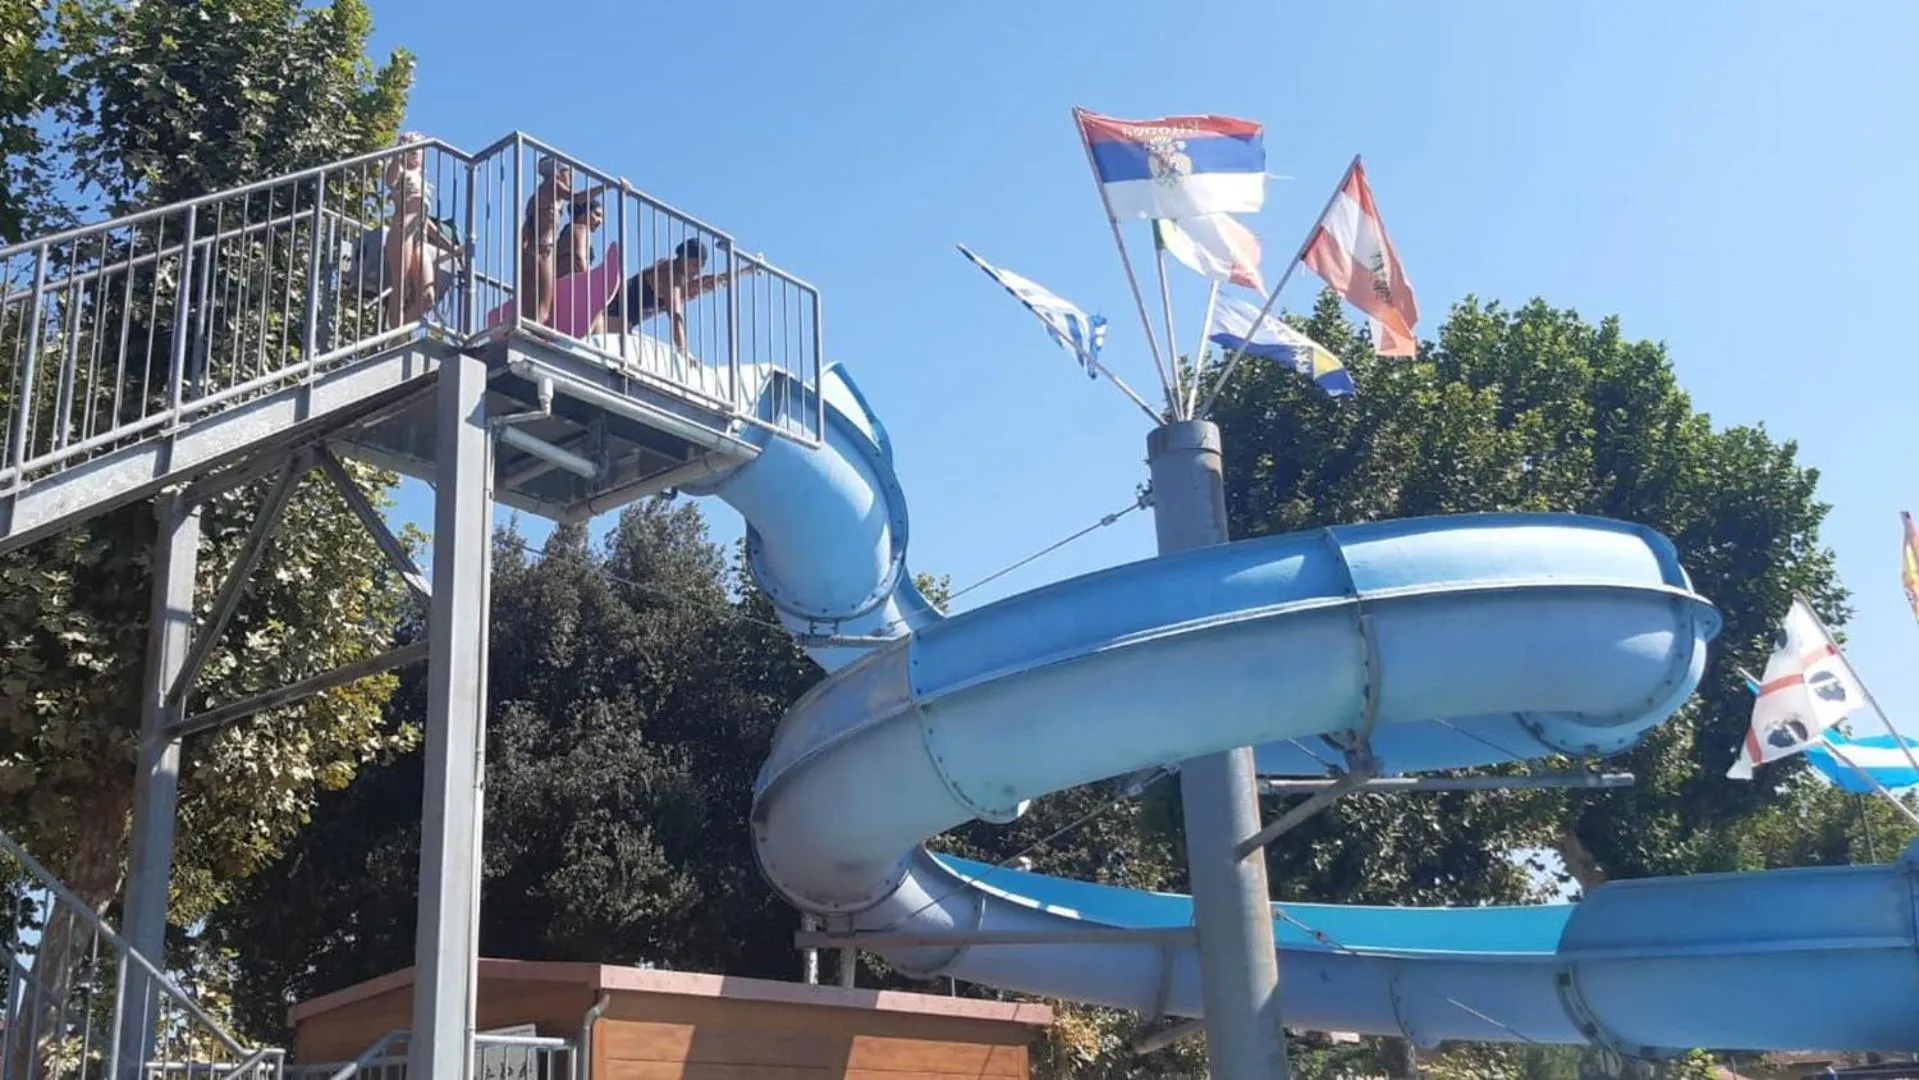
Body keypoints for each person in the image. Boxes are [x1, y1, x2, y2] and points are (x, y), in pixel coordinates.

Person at [605, 238, 756, 353]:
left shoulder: (680, 276)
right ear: (682, 258)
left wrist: (745, 271)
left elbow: (710, 283)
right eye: (694, 265)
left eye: (700, 267)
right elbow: (676, 315)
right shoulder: (670, 276)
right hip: (609, 315)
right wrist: (683, 350)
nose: (696, 271)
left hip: (623, 322)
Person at [519, 157, 610, 328]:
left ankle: (528, 331)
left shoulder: (536, 198)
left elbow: (524, 232)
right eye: (569, 174)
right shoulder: (553, 184)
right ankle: (537, 339)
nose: (570, 179)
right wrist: (606, 186)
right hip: (544, 249)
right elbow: (575, 197)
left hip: (530, 251)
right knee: (544, 308)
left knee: (529, 306)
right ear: (558, 172)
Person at [382, 132, 436, 327]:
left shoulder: (423, 181)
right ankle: (395, 333)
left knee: (427, 295)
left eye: (418, 148)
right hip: (402, 228)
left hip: (419, 235)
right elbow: (390, 180)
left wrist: (453, 247)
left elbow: (426, 220)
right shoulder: (402, 171)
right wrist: (399, 150)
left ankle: (402, 330)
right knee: (401, 285)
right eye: (411, 148)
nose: (415, 152)